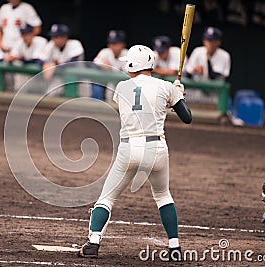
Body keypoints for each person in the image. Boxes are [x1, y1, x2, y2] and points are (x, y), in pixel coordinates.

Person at [77, 45, 192, 260]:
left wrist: (172, 95)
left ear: (132, 65)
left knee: (107, 198)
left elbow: (142, 108)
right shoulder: (165, 86)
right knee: (163, 196)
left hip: (129, 148)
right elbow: (186, 117)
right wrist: (179, 95)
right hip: (156, 148)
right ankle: (175, 247)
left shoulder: (121, 87)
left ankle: (93, 242)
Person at [38, 24, 84, 96]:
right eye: (53, 37)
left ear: (65, 37)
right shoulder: (51, 45)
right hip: (60, 78)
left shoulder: (75, 44)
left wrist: (54, 67)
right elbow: (40, 60)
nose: (53, 39)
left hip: (79, 79)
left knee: (84, 102)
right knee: (50, 95)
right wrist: (45, 65)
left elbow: (73, 63)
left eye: (56, 37)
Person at [4, 23, 47, 91]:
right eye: (23, 34)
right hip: (24, 76)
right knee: (19, 90)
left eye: (28, 34)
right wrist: (13, 58)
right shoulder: (19, 42)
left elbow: (38, 60)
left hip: (38, 76)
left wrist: (20, 59)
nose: (25, 37)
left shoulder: (41, 41)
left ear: (33, 34)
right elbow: (10, 58)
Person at [92, 30, 128, 100]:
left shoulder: (127, 54)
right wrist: (102, 66)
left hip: (123, 84)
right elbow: (94, 64)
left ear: (123, 44)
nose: (112, 46)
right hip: (109, 82)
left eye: (116, 43)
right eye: (111, 43)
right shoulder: (105, 52)